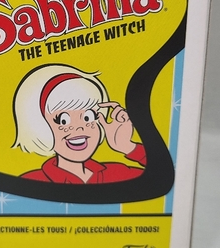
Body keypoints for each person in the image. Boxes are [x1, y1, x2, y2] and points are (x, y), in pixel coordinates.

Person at [13, 64, 146, 184]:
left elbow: (157, 179)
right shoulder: (31, 182)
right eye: (63, 120)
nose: (79, 127)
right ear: (41, 127)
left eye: (88, 117)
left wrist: (128, 146)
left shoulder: (117, 173)